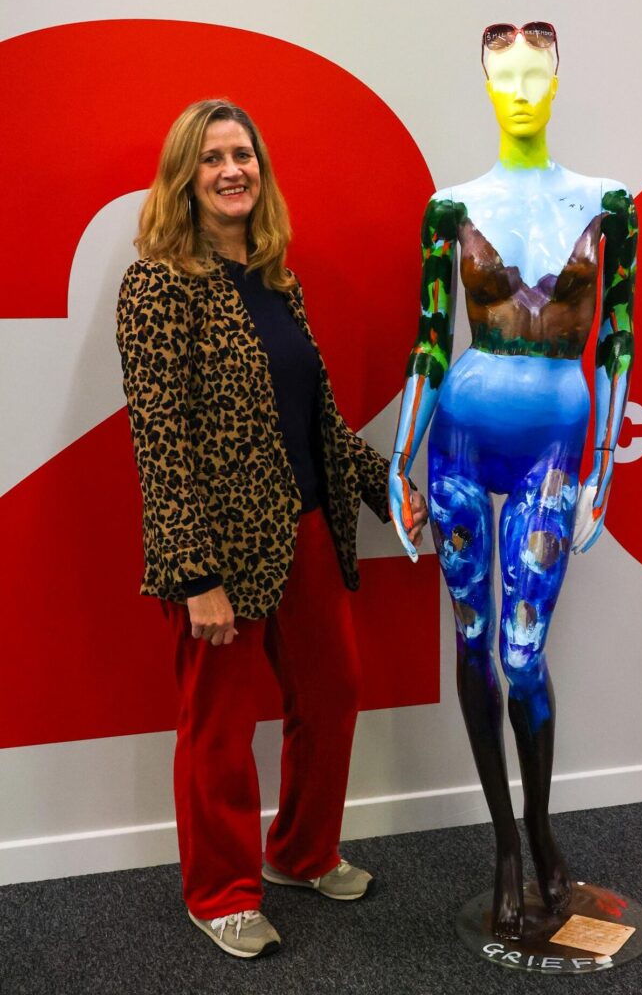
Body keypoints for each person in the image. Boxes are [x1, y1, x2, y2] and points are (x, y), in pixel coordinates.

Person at [116, 98, 427, 959]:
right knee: (218, 728)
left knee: (332, 695)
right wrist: (192, 574)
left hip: (305, 530)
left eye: (243, 154)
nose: (231, 171)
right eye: (212, 157)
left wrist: (385, 487)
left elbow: (316, 420)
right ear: (185, 176)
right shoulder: (157, 285)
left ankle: (301, 852)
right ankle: (220, 893)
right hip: (220, 553)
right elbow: (161, 439)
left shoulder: (277, 276)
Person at [388, 23, 638, 940]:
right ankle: (501, 841)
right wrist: (402, 453)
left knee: (523, 654)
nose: (522, 88)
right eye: (505, 74)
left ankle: (539, 825)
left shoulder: (610, 204)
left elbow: (615, 344)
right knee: (473, 638)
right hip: (459, 436)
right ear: (484, 84)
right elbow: (427, 337)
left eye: (537, 71)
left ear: (561, 78)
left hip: (551, 447)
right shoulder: (449, 207)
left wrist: (602, 463)